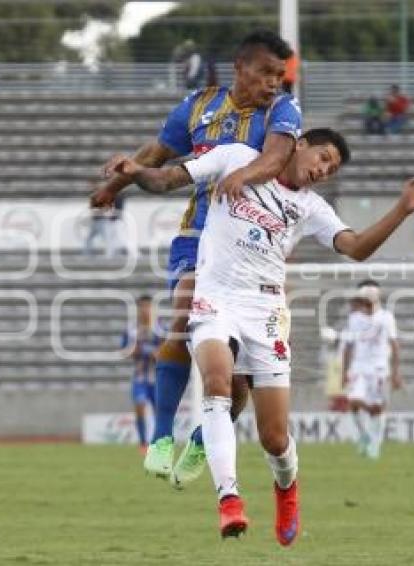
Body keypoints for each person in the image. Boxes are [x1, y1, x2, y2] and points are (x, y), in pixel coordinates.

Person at [107, 127, 414, 544]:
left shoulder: (311, 207)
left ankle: (286, 488)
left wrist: (403, 208)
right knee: (215, 382)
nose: (323, 170)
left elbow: (354, 247)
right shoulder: (233, 157)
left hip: (265, 312)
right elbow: (168, 179)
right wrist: (136, 170)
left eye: (332, 169)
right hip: (215, 297)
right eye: (322, 158)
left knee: (274, 437)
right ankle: (229, 501)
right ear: (299, 144)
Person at [91, 30, 302, 484]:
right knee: (183, 320)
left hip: (252, 247)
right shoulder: (199, 105)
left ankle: (205, 440)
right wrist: (117, 182)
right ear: (239, 68)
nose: (273, 83)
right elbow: (158, 153)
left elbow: (277, 156)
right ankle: (162, 436)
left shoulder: (283, 110)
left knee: (238, 372)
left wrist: (244, 174)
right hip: (199, 233)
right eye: (266, 73)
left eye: (279, 75)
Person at [342, 281, 402, 459]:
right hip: (358, 368)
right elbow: (348, 346)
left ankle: (374, 446)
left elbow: (395, 345)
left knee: (377, 408)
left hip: (379, 368)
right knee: (353, 400)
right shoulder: (354, 318)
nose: (364, 303)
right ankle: (363, 437)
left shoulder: (386, 318)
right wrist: (344, 371)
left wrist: (396, 372)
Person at [121, 295, 164, 452]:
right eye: (142, 307)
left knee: (159, 410)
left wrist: (158, 354)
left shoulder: (159, 328)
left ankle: (159, 442)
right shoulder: (132, 329)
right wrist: (133, 351)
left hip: (157, 378)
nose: (145, 310)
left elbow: (167, 350)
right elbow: (124, 351)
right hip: (140, 377)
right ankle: (143, 443)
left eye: (148, 307)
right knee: (139, 404)